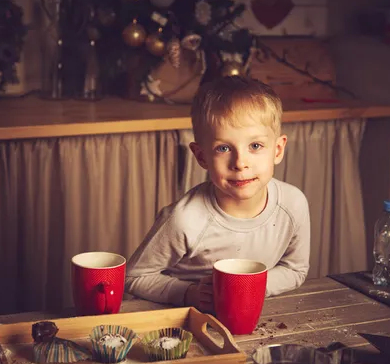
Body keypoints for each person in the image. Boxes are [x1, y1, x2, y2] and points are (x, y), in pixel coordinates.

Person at [125, 76, 311, 312]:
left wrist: (245, 288)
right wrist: (189, 294)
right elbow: (134, 277)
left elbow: (295, 270)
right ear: (202, 156)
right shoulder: (184, 219)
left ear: (277, 150)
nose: (240, 163)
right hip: (181, 322)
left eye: (255, 146)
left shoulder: (293, 204)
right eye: (223, 148)